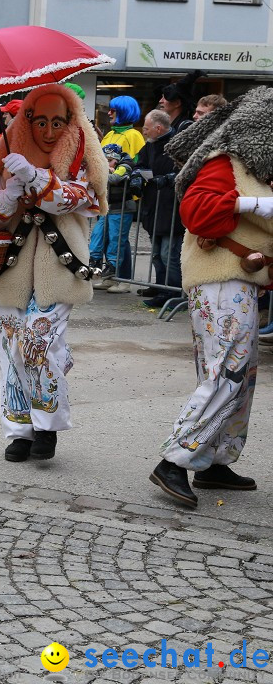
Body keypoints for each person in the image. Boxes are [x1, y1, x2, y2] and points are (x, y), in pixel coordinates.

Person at [148, 86, 273, 508]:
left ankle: (215, 459)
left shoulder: (258, 168)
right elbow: (197, 211)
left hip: (243, 280)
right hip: (221, 277)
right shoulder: (228, 162)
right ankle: (175, 459)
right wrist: (251, 204)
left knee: (241, 372)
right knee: (228, 369)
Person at [0, 84, 108, 463]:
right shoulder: (8, 158)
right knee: (10, 347)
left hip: (60, 268)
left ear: (70, 124)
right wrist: (8, 193)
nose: (49, 131)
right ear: (27, 122)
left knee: (38, 343)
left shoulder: (82, 160)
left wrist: (35, 177)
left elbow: (72, 199)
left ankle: (46, 427)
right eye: (40, 122)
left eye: (58, 122)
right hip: (12, 270)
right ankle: (19, 429)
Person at [135, 109, 183, 308]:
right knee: (156, 253)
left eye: (146, 128)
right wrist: (137, 173)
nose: (144, 132)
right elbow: (140, 163)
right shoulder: (149, 146)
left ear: (158, 128)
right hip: (154, 204)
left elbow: (184, 171)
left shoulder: (178, 145)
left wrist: (168, 180)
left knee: (168, 253)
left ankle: (173, 290)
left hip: (171, 206)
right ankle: (161, 286)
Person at [90, 144, 137, 292]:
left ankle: (116, 271)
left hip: (121, 208)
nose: (106, 162)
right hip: (107, 208)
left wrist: (100, 174)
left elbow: (115, 178)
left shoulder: (125, 165)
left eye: (109, 160)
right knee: (98, 234)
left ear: (116, 159)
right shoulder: (111, 165)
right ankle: (96, 262)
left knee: (116, 239)